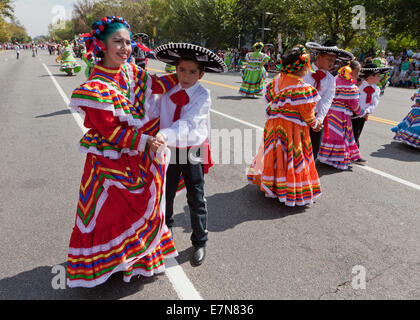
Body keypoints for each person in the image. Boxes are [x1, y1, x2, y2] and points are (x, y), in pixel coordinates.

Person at [66, 16, 179, 288]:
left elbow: (157, 85)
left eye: (128, 42)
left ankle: (134, 259)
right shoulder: (97, 86)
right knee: (109, 212)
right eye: (117, 41)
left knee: (142, 210)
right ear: (101, 45)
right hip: (109, 162)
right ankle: (108, 264)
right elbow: (110, 132)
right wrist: (145, 142)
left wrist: (184, 72)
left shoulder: (132, 71)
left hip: (138, 154)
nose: (125, 47)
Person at [152, 42, 227, 266]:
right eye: (182, 69)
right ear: (175, 68)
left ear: (201, 74)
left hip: (191, 149)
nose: (186, 76)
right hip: (170, 149)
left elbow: (188, 124)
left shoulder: (203, 95)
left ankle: (200, 240)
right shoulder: (167, 89)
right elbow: (151, 107)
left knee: (196, 196)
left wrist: (164, 134)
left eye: (192, 71)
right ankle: (166, 232)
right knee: (165, 191)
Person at [247, 44, 322, 206]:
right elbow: (307, 113)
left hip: (274, 126)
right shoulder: (302, 88)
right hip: (293, 130)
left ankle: (273, 185)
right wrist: (315, 124)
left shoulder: (277, 80)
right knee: (292, 157)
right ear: (302, 68)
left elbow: (268, 98)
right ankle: (288, 190)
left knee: (275, 155)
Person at [304, 41, 354, 160]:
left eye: (334, 61)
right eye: (329, 59)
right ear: (319, 57)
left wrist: (319, 119)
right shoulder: (304, 72)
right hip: (299, 116)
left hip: (316, 117)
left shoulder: (331, 79)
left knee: (314, 150)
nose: (332, 63)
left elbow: (327, 100)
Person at [318, 60, 367, 170]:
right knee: (341, 136)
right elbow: (354, 105)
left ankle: (326, 157)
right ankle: (335, 160)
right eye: (358, 72)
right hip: (341, 115)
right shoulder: (349, 86)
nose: (358, 75)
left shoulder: (336, 79)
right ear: (352, 71)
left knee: (331, 135)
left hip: (330, 113)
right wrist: (363, 113)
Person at [352, 62, 392, 149]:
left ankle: (353, 150)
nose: (379, 78)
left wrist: (368, 110)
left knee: (358, 132)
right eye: (377, 76)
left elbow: (374, 102)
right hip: (353, 113)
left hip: (363, 114)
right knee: (353, 133)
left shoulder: (376, 89)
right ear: (370, 77)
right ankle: (354, 151)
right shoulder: (358, 85)